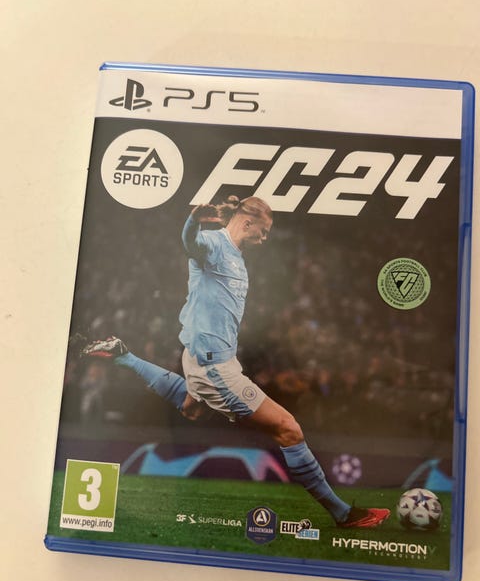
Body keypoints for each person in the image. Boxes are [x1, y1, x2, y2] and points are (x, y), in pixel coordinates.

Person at [81, 196, 390, 528]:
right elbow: (190, 244)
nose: (265, 237)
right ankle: (342, 514)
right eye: (264, 230)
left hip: (209, 359)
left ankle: (123, 355)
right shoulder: (214, 243)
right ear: (247, 222)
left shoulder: (237, 258)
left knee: (192, 408)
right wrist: (194, 220)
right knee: (288, 429)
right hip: (215, 367)